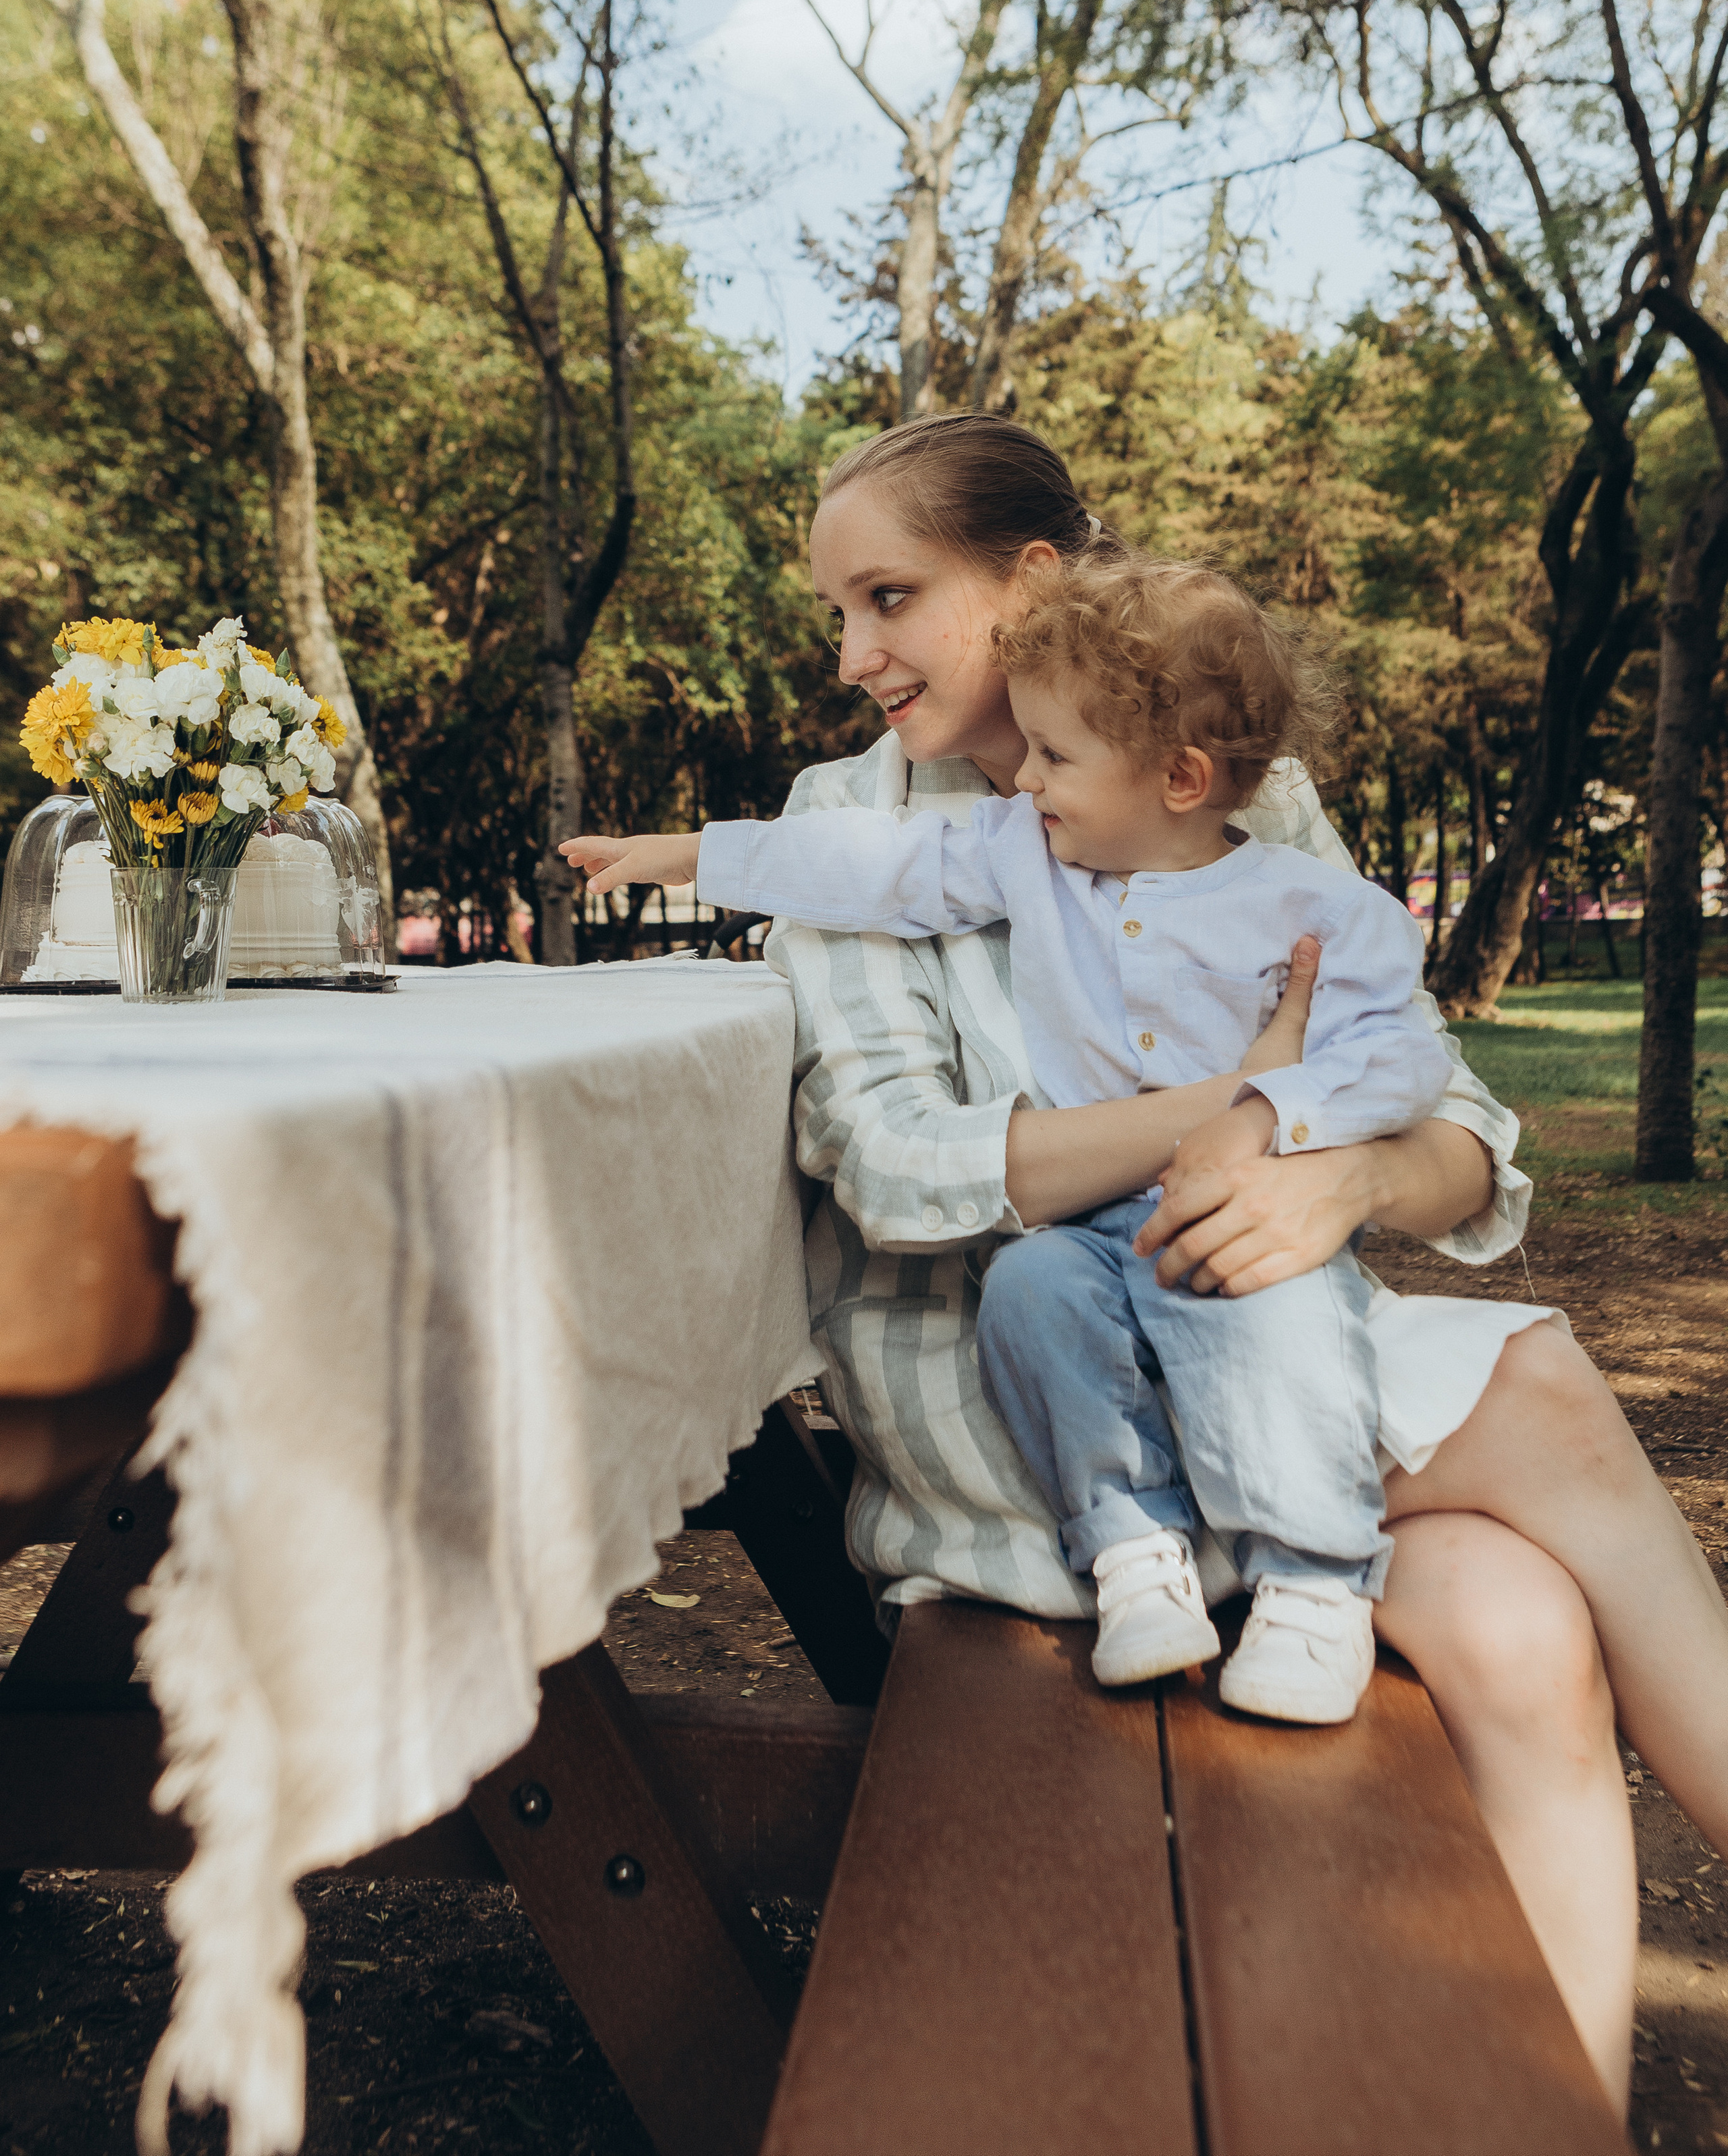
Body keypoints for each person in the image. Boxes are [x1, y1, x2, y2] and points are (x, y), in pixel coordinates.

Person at [585, 412, 1728, 2113]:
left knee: (1519, 1626)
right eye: (837, 614)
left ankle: (1564, 2117)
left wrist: (1339, 1182)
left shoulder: (1242, 798)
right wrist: (1250, 1109)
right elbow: (902, 1169)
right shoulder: (853, 831)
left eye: (888, 597)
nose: (852, 658)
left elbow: (1462, 1132)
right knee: (1546, 1388)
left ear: (1031, 579)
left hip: (1250, 1367)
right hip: (1036, 1439)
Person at [568, 550, 1465, 1723]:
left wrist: (1263, 1116)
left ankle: (1316, 1585)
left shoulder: (1314, 908)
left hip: (1240, 1208)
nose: (1025, 781)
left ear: (1182, 777)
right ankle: (1135, 1549)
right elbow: (874, 867)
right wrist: (698, 858)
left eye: (1055, 759)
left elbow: (1401, 1061)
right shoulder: (1025, 854)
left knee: (1272, 1317)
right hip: (1089, 1226)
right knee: (1032, 1294)